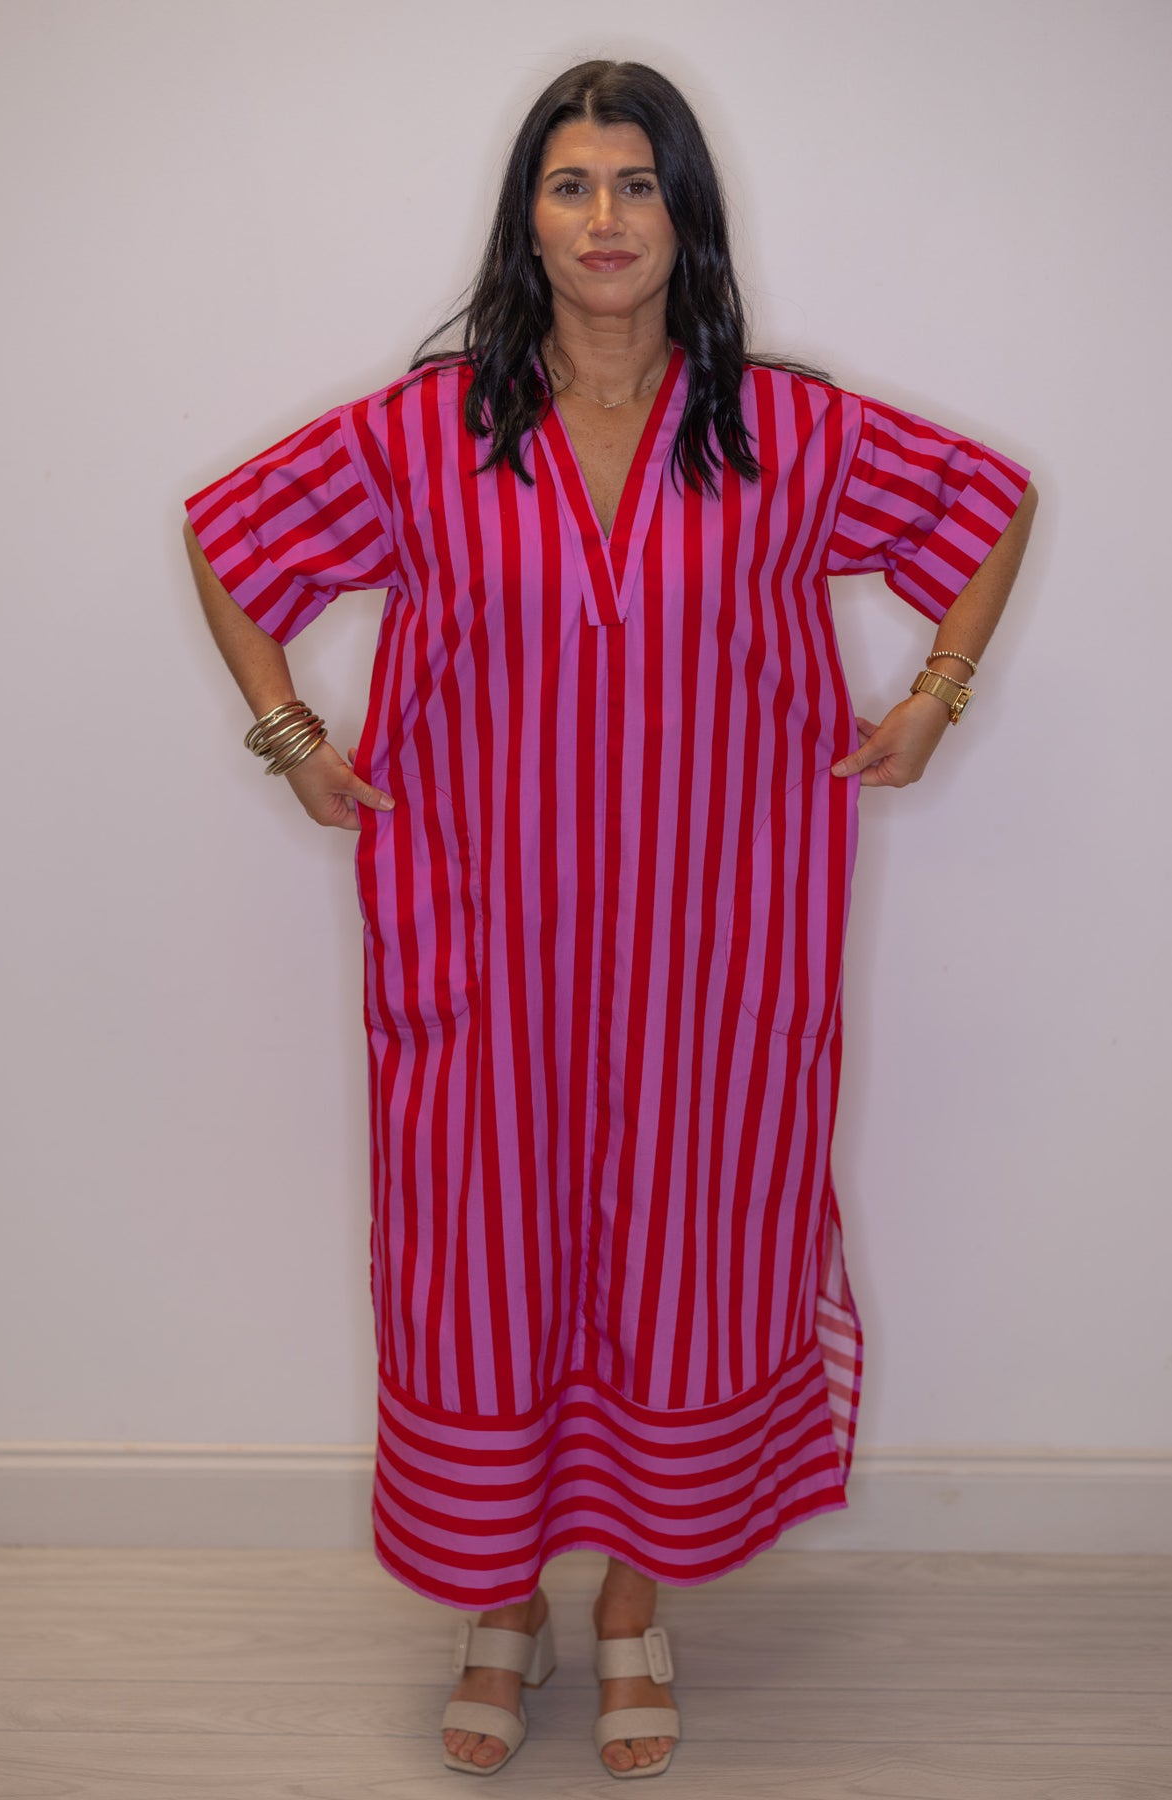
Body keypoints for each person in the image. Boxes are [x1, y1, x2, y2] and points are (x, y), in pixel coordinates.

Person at [183, 58, 1037, 1781]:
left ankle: (637, 1603)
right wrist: (289, 737)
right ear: (528, 220)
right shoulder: (424, 435)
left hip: (718, 961)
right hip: (475, 950)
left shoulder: (782, 432)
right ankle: (496, 1603)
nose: (602, 219)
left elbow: (986, 503)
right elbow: (230, 540)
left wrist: (937, 694)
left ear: (683, 215)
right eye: (569, 185)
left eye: (636, 184)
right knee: (480, 1273)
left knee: (686, 1262)